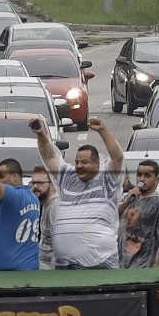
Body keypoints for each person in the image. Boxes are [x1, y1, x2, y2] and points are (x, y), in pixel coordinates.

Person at [31, 115, 124, 269]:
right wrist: (41, 135)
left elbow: (117, 157)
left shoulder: (107, 181)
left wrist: (103, 130)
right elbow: (50, 156)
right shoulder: (68, 178)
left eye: (84, 162)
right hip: (65, 265)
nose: (79, 166)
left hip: (100, 264)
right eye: (77, 162)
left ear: (97, 163)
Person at [118, 160, 159, 269]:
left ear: (156, 179)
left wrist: (157, 263)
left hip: (145, 263)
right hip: (122, 262)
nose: (141, 179)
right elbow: (112, 218)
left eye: (147, 175)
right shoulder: (128, 197)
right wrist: (127, 201)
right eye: (139, 175)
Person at [30, 165, 58, 270]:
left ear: (52, 185)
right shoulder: (44, 205)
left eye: (40, 183)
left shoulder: (55, 207)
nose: (35, 187)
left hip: (49, 270)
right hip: (41, 264)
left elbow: (58, 246)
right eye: (33, 183)